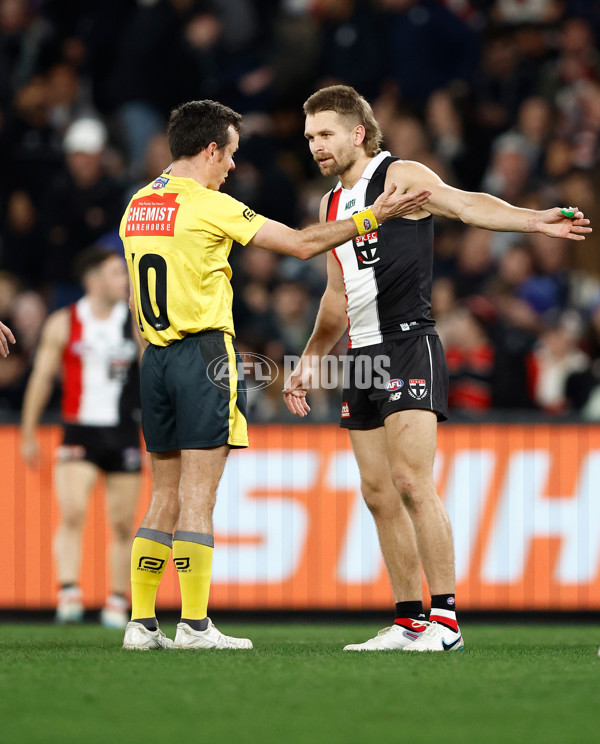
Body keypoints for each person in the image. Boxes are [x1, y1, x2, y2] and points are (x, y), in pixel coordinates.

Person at [283, 85, 592, 652]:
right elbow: (335, 294)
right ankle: (407, 620)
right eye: (309, 138)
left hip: (408, 344)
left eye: (325, 134)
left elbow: (468, 204)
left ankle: (445, 621)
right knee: (377, 493)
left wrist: (534, 221)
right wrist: (307, 362)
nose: (316, 146)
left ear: (357, 133)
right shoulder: (331, 206)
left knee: (410, 481)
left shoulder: (399, 175)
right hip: (362, 357)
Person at [119, 99, 430, 651]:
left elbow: (131, 294)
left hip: (155, 358)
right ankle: (194, 625)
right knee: (198, 496)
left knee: (161, 496)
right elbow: (302, 244)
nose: (233, 167)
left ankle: (141, 624)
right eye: (231, 154)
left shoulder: (138, 205)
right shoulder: (209, 204)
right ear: (210, 149)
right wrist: (371, 218)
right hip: (200, 355)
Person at [21, 247, 142, 628]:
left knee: (123, 524)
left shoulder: (134, 322)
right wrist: (28, 431)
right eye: (115, 274)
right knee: (72, 511)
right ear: (92, 280)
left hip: (123, 430)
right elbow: (41, 378)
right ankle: (69, 592)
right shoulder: (64, 322)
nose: (123, 280)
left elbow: (153, 372)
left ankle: (118, 600)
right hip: (79, 429)